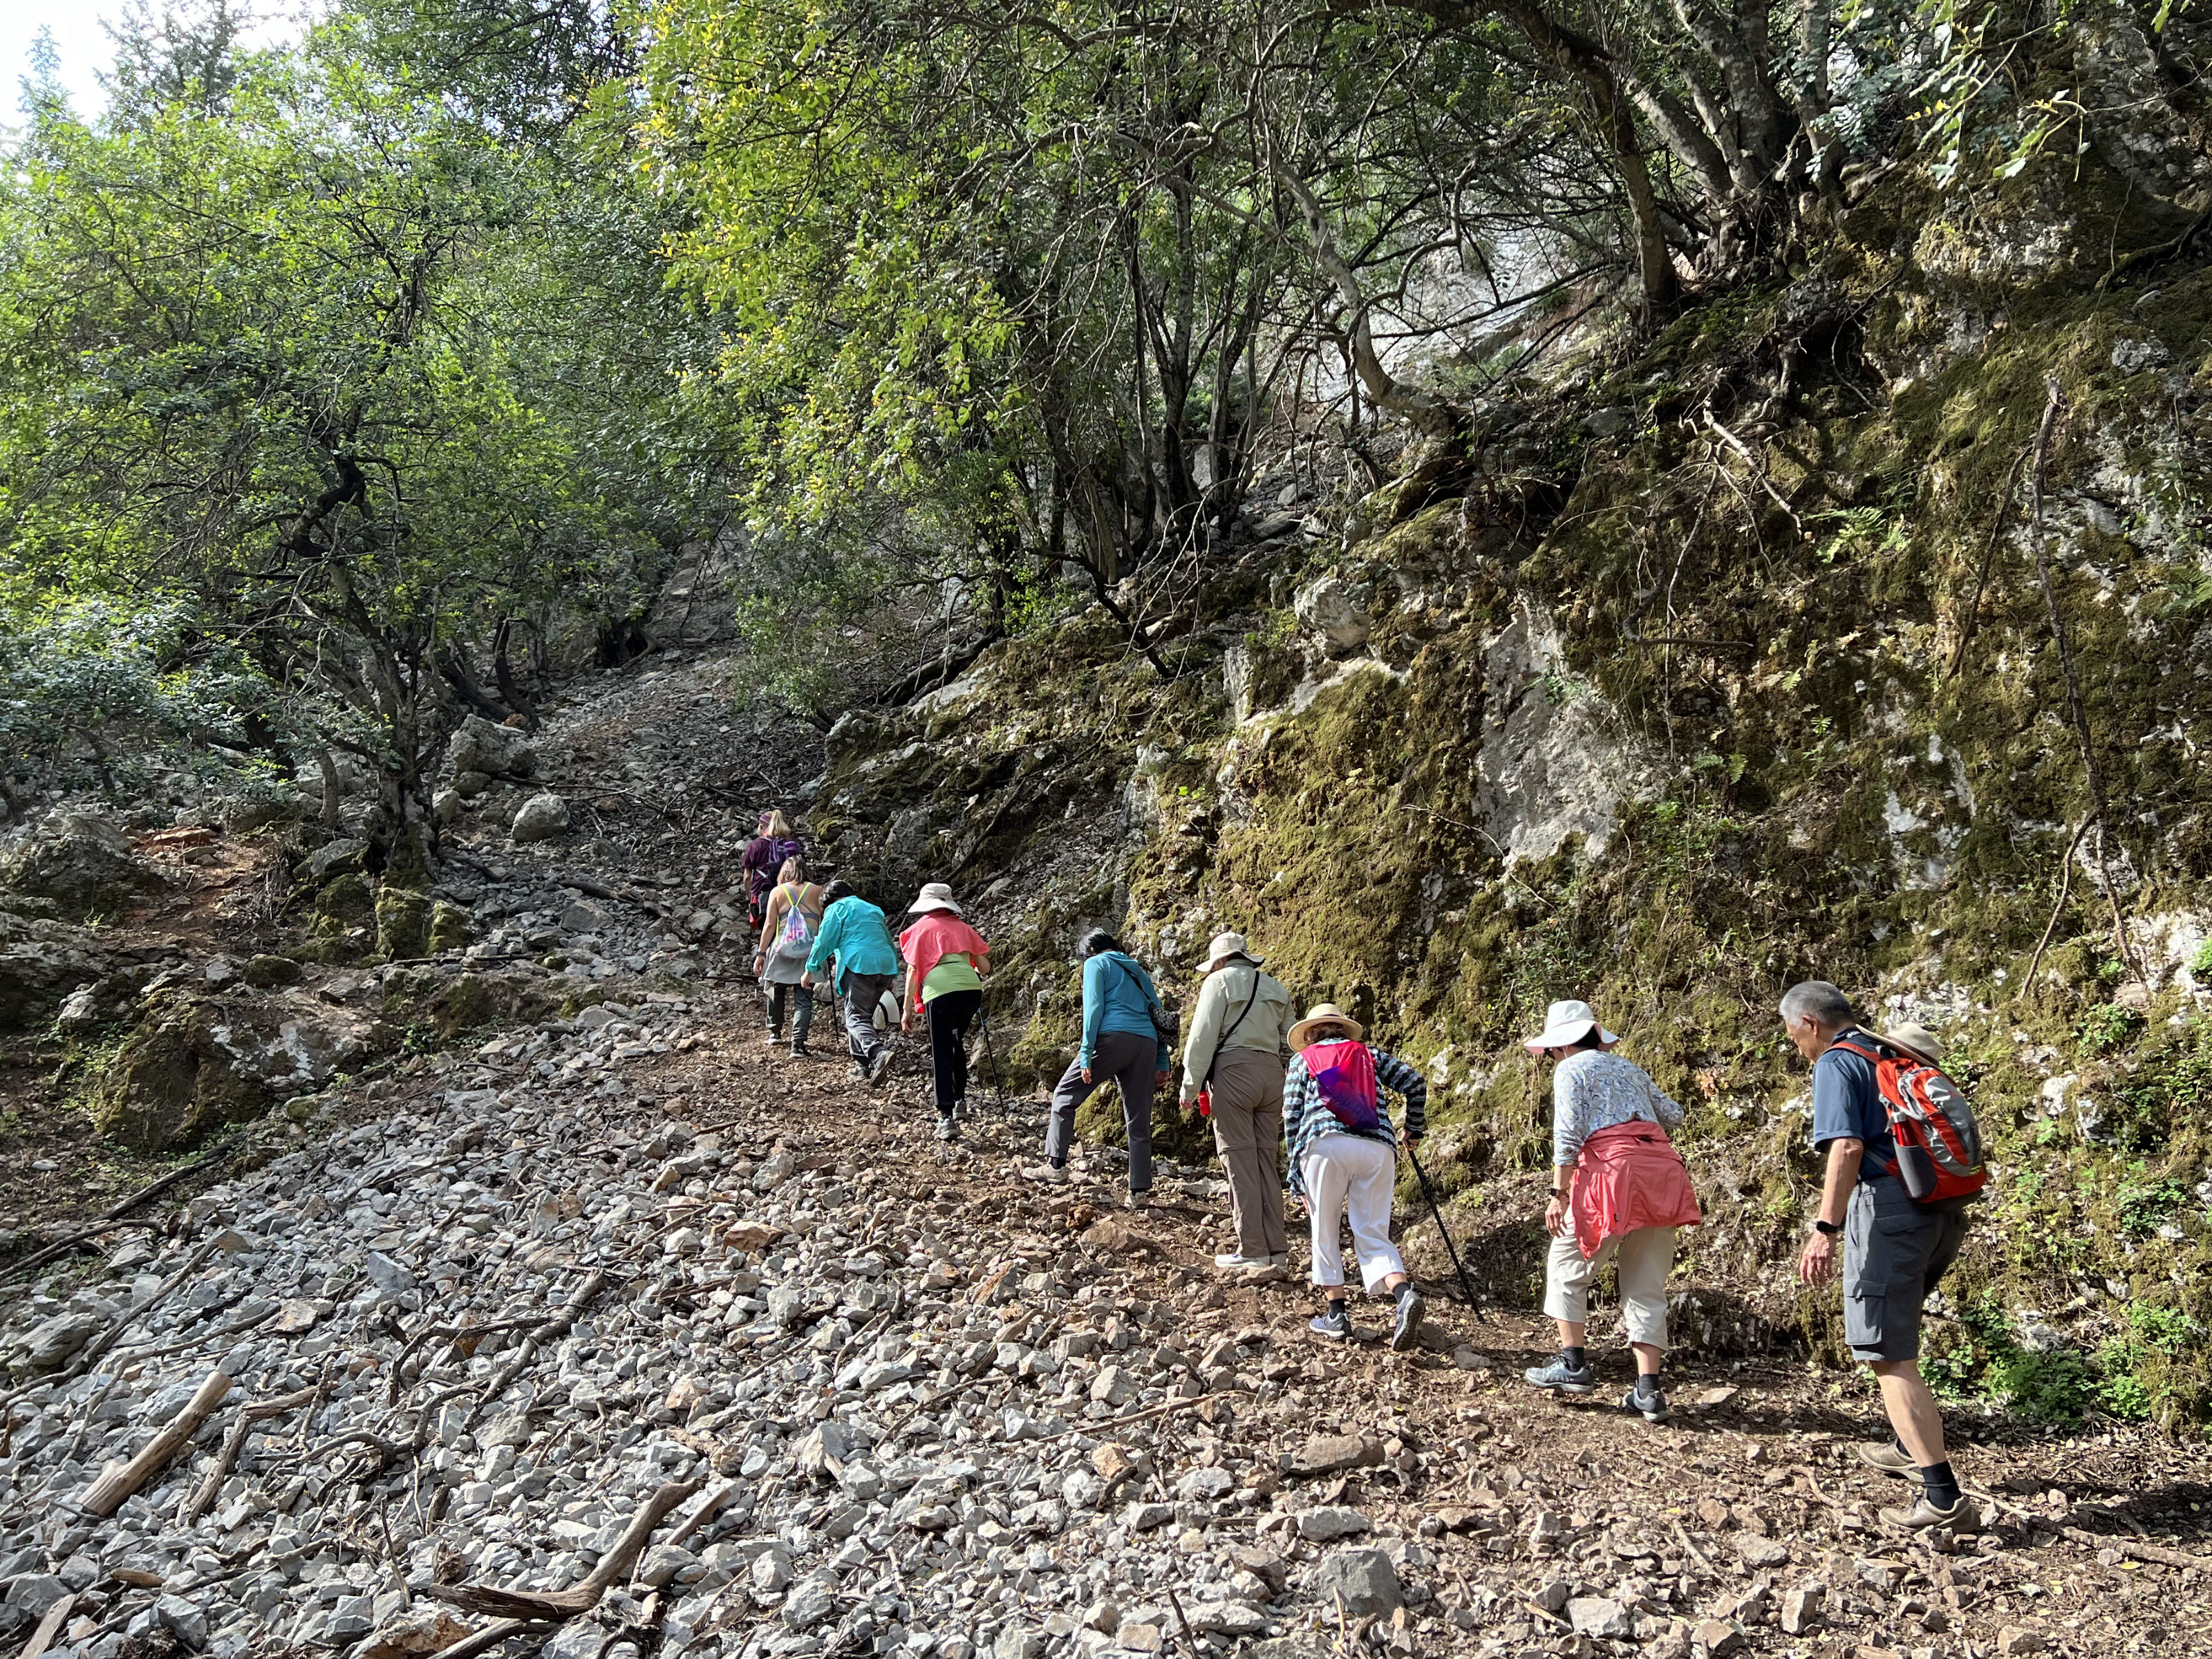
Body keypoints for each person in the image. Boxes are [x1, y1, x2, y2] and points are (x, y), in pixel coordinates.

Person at [1786, 980, 1979, 1534]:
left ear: (1811, 1024)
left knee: (1887, 1353)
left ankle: (1942, 1496)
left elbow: (1846, 1148)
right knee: (1896, 1331)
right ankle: (1903, 1444)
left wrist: (1826, 1226)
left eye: (1793, 1033)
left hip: (1889, 1213)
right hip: (1940, 1209)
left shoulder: (1835, 1063)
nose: (1796, 1044)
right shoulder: (1889, 1053)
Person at [1517, 1000, 1700, 1423]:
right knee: (1646, 1284)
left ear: (1558, 1046)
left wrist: (1558, 1193)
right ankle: (1649, 1392)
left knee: (1566, 1264)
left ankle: (1573, 1365)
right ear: (1595, 1036)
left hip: (1612, 1175)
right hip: (1663, 1171)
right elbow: (1675, 1114)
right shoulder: (1629, 1068)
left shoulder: (1570, 1070)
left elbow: (1566, 1134)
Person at [1282, 1003, 1427, 1349]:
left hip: (1325, 1144)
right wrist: (1413, 1128)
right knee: (1373, 1232)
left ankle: (1336, 1313)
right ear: (1343, 1030)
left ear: (1311, 1034)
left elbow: (1291, 1115)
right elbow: (1415, 1082)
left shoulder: (1303, 1060)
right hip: (1378, 1146)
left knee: (1325, 1227)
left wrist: (1294, 1173)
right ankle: (1404, 1295)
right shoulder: (1370, 1054)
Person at [1177, 931, 1295, 1275]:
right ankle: (1277, 1250)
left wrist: (1190, 1087)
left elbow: (1201, 1038)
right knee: (1265, 1161)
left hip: (1234, 1073)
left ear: (1220, 961)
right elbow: (1291, 1042)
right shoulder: (1276, 988)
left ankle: (1253, 1250)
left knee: (1239, 1160)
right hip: (1273, 1075)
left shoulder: (1218, 983)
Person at [1041, 930, 1172, 1204]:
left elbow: (1094, 1008)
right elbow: (1159, 1014)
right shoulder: (1138, 972)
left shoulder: (1095, 964)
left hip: (1112, 1039)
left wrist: (1086, 1053)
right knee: (1138, 1118)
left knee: (1065, 1095)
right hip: (1146, 1043)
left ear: (1088, 952)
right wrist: (1162, 1060)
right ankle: (1139, 1192)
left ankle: (1055, 1166)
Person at [898, 883, 991, 1141]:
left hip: (939, 992)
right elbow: (984, 967)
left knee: (941, 1050)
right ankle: (960, 1099)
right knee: (954, 1041)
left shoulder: (919, 930)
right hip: (970, 991)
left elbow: (914, 971)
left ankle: (946, 1115)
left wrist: (907, 1010)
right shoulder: (964, 928)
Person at [801, 880, 899, 1085]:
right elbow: (887, 940)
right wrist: (890, 974)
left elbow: (824, 941)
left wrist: (810, 969)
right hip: (884, 965)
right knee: (861, 1016)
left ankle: (877, 1053)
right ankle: (861, 1066)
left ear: (829, 901)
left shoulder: (837, 908)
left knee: (855, 1017)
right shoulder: (873, 909)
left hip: (859, 965)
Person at [752, 857, 825, 1057]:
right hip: (809, 951)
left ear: (786, 872)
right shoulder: (819, 891)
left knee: (776, 989)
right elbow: (824, 923)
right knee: (804, 997)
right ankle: (798, 1044)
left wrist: (760, 953)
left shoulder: (778, 892)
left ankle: (775, 1032)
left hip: (782, 949)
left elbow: (768, 925)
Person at [742, 810, 802, 929]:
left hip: (764, 891)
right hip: (790, 893)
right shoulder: (790, 844)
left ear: (762, 826)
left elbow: (747, 876)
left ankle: (766, 947)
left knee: (768, 926)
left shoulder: (755, 845)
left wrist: (748, 896)